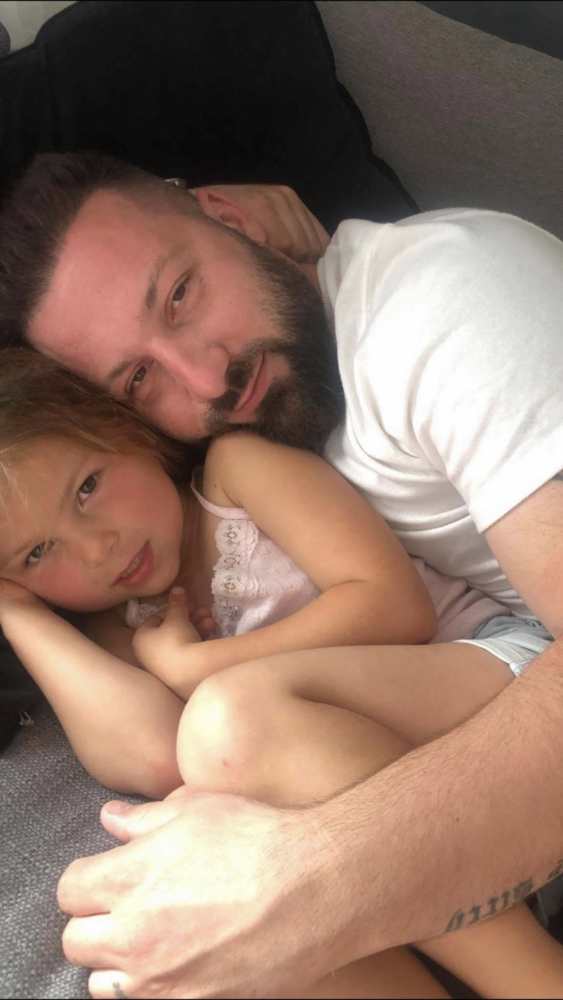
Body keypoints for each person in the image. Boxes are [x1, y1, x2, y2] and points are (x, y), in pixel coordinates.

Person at [1, 151, 563, 998]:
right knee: (187, 865)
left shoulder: (445, 300)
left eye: (179, 292)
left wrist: (196, 670)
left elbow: (389, 607)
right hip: (412, 746)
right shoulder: (143, 570)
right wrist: (18, 607)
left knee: (229, 726)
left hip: (491, 667)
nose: (205, 377)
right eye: (140, 377)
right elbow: (150, 752)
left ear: (231, 218)